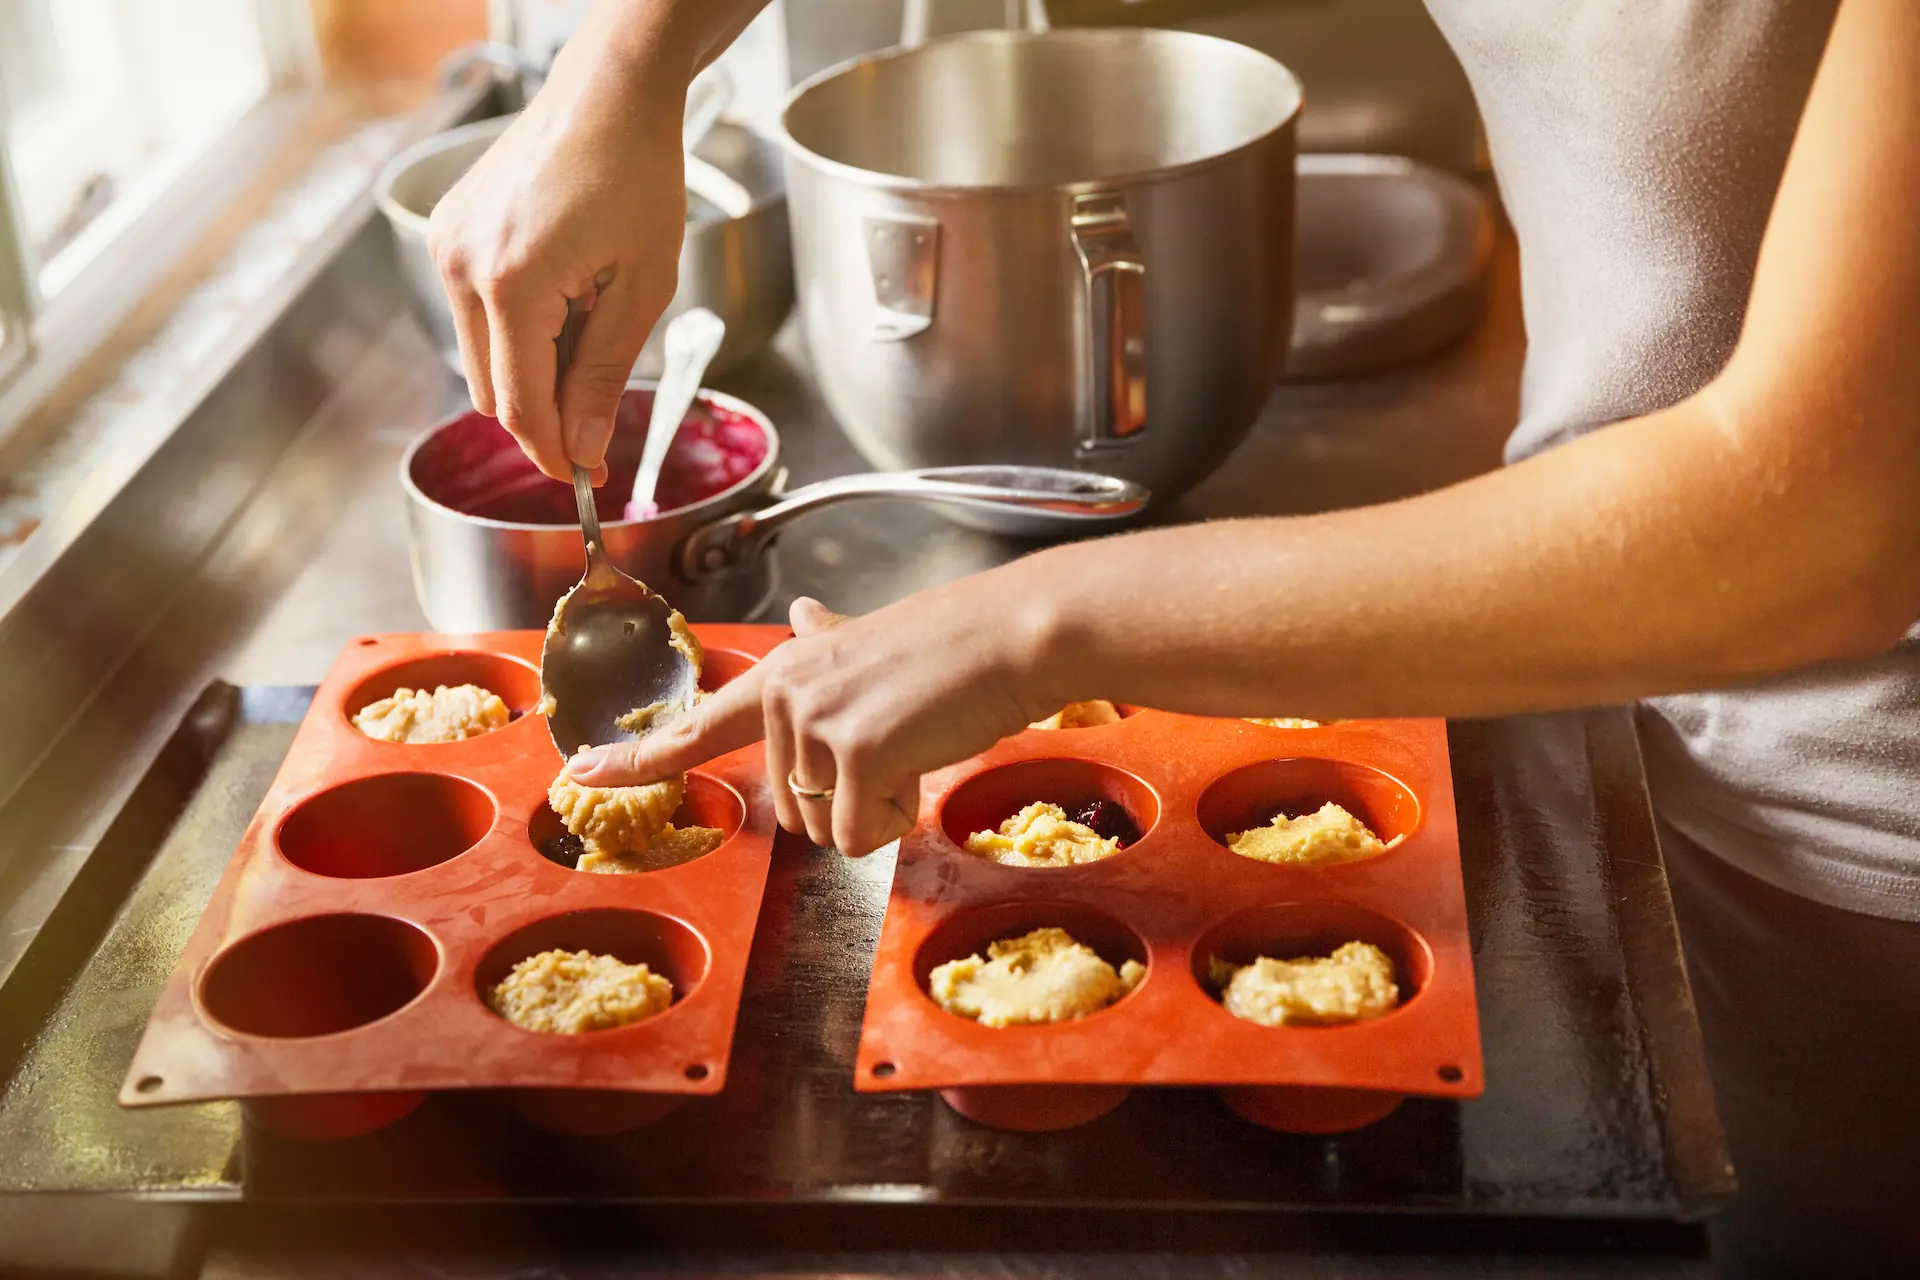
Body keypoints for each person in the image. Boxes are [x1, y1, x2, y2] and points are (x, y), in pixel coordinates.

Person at [429, 1, 1919, 1273]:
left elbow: (1823, 532)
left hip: (1858, 859)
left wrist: (1037, 625)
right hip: (1620, 688)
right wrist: (624, 76)